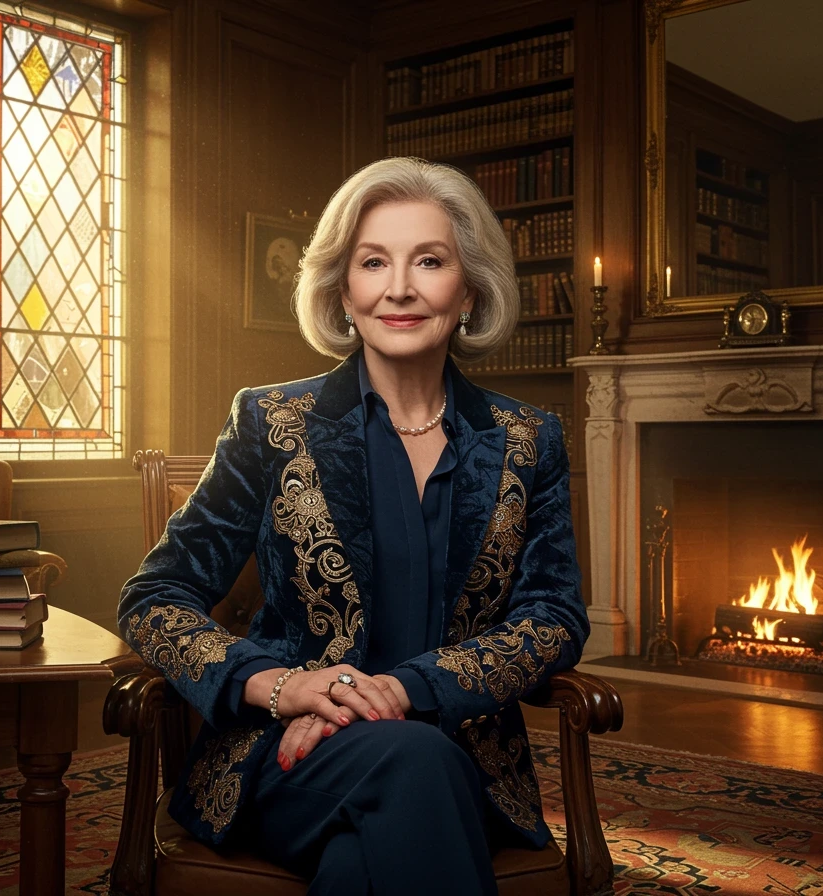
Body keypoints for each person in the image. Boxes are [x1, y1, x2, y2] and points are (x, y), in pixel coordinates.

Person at [118, 156, 589, 895]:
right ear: (344, 291)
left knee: (371, 844)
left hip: (463, 755)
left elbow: (554, 617)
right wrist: (280, 686)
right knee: (412, 773)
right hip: (288, 758)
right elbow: (153, 599)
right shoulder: (271, 423)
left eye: (428, 261)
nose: (399, 287)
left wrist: (409, 691)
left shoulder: (529, 440)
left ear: (468, 290)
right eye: (374, 262)